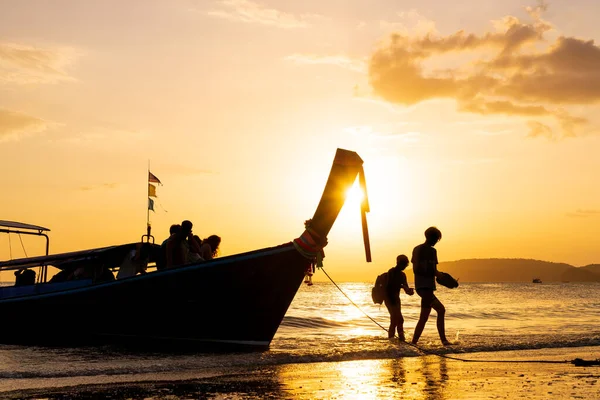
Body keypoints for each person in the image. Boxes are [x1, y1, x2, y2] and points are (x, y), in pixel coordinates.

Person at [411, 226, 450, 345]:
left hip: (429, 287)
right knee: (441, 310)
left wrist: (440, 276)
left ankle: (413, 343)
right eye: (436, 239)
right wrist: (433, 272)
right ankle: (444, 341)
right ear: (429, 237)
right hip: (422, 287)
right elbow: (416, 270)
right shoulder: (418, 249)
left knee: (424, 318)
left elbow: (434, 269)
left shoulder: (434, 252)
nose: (436, 242)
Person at [384, 254, 414, 340]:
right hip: (389, 298)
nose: (404, 266)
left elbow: (406, 288)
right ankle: (397, 339)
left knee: (396, 320)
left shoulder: (403, 275)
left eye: (406, 265)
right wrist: (402, 286)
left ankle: (397, 339)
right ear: (398, 263)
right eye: (403, 264)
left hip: (396, 299)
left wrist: (409, 291)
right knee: (397, 319)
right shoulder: (391, 272)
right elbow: (389, 285)